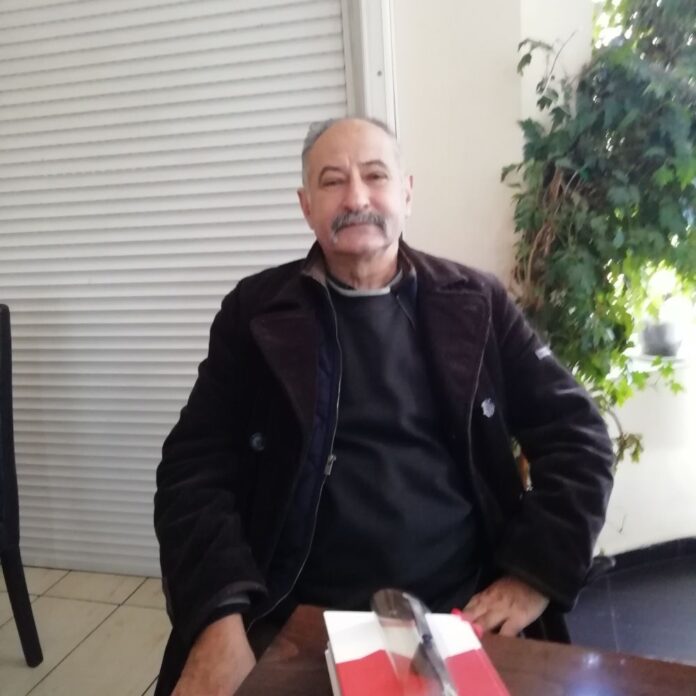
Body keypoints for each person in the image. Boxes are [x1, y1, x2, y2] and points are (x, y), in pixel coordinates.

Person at [153, 117, 614, 695]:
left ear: (407, 193)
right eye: (332, 181)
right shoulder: (254, 312)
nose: (356, 198)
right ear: (306, 205)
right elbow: (192, 469)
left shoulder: (476, 302)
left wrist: (533, 577)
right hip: (290, 612)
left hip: (459, 612)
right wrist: (218, 618)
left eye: (375, 176)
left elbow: (579, 437)